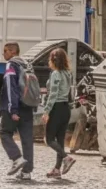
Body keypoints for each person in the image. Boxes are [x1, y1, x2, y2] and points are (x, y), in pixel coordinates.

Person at [0, 42, 34, 180]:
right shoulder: (27, 64)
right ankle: (27, 172)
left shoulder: (11, 65)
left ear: (13, 52)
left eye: (5, 51)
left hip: (14, 106)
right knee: (27, 139)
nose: (3, 54)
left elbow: (10, 87)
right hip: (28, 106)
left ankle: (16, 158)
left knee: (4, 133)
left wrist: (13, 110)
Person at [42, 48, 76, 179]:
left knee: (49, 139)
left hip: (56, 108)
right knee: (60, 140)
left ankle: (66, 158)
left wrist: (46, 111)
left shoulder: (56, 74)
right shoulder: (68, 73)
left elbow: (53, 94)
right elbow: (70, 93)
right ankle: (57, 169)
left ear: (52, 60)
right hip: (65, 109)